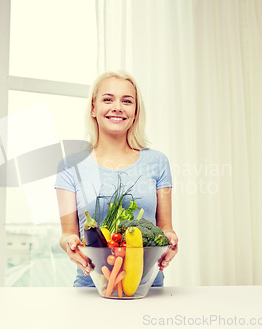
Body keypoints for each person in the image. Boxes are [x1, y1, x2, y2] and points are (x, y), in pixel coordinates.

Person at [55, 70, 178, 287]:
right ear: (93, 108)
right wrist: (71, 244)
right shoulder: (70, 166)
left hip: (147, 287)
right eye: (108, 99)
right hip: (91, 287)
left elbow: (165, 228)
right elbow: (67, 234)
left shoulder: (157, 162)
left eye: (127, 101)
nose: (118, 107)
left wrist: (170, 240)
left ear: (135, 111)